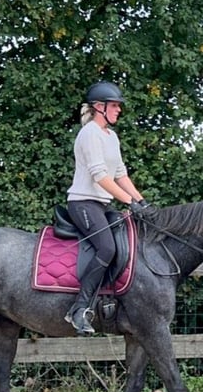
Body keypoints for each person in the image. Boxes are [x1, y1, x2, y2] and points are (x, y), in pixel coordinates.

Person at [64, 81, 156, 335]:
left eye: (118, 106)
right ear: (98, 107)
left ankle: (112, 299)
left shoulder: (110, 136)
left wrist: (141, 201)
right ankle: (79, 309)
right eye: (114, 105)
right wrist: (128, 202)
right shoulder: (89, 133)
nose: (118, 110)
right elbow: (100, 177)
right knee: (107, 247)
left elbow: (119, 175)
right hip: (83, 203)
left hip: (102, 205)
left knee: (128, 240)